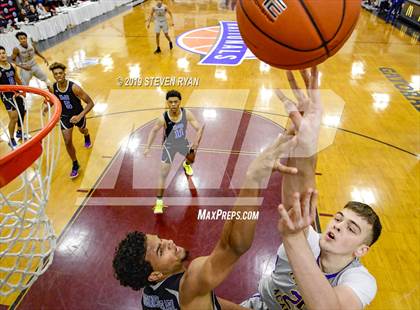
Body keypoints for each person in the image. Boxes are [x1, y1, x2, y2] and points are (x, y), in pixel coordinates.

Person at [113, 124, 298, 309]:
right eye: (161, 250)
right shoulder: (190, 284)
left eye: (160, 239)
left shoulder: (148, 297)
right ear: (155, 275)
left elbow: (213, 303)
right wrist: (254, 179)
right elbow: (233, 246)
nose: (168, 241)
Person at [241, 68, 382, 310]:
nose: (337, 225)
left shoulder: (360, 281)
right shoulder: (310, 239)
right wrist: (307, 146)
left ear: (362, 250)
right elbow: (297, 198)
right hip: (261, 304)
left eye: (351, 228)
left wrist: (293, 238)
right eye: (339, 218)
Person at [143, 90, 204, 214]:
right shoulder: (163, 118)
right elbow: (153, 131)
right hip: (169, 146)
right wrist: (147, 147)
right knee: (163, 174)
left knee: (192, 159)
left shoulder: (187, 114)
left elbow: (199, 128)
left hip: (182, 143)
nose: (173, 104)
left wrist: (196, 142)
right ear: (167, 103)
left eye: (176, 102)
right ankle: (159, 202)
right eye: (170, 102)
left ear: (180, 102)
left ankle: (186, 164)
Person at [48, 62, 93, 178]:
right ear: (53, 75)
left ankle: (86, 135)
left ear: (64, 74)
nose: (58, 75)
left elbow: (90, 103)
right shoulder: (53, 88)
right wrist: (45, 105)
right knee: (67, 141)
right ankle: (75, 164)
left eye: (60, 73)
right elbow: (50, 99)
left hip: (78, 114)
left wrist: (80, 116)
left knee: (82, 130)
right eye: (56, 74)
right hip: (64, 117)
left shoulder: (74, 87)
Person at [0, 46, 26, 148]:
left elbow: (18, 79)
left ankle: (19, 132)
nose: (2, 55)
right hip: (7, 96)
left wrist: (23, 90)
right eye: (0, 54)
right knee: (14, 118)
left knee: (23, 111)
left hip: (16, 92)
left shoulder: (12, 66)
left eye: (3, 52)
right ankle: (11, 139)